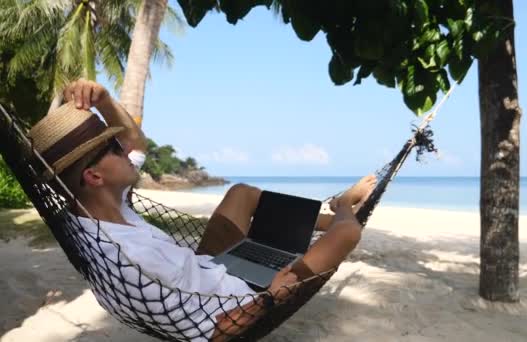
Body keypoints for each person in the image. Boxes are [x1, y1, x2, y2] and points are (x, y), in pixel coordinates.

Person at [28, 79, 376, 341]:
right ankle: (344, 206)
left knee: (241, 193)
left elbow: (136, 142)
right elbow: (213, 333)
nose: (126, 149)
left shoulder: (90, 205)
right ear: (93, 175)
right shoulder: (127, 261)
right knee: (349, 232)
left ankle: (331, 214)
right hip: (245, 300)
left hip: (206, 268)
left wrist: (103, 100)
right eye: (114, 148)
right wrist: (271, 298)